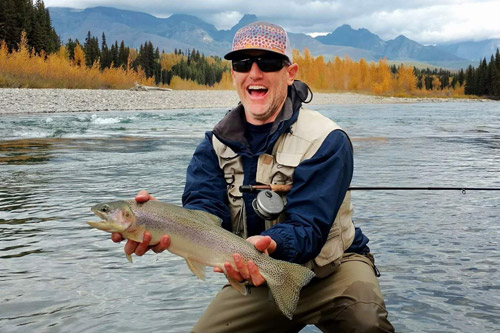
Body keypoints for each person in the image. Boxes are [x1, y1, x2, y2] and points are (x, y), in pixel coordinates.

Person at [112, 21, 394, 332]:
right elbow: (204, 213)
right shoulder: (213, 146)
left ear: (290, 72)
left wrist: (270, 243)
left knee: (368, 325)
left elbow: (309, 227)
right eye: (243, 63)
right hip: (256, 272)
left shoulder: (327, 139)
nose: (255, 72)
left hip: (334, 270)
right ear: (233, 74)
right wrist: (159, 221)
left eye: (269, 62)